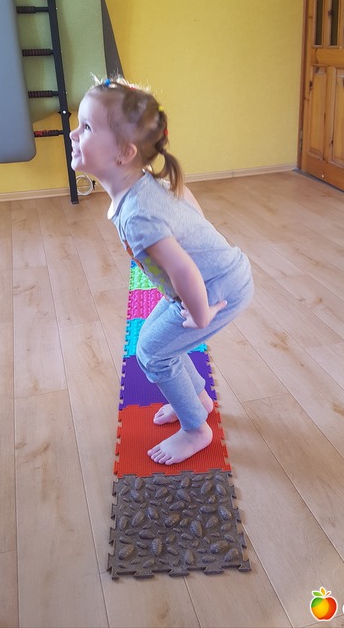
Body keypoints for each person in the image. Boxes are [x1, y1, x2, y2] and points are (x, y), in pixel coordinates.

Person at [70, 76, 254, 465]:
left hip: (215, 288)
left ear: (124, 153)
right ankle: (198, 399)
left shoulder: (139, 214)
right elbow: (187, 200)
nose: (74, 133)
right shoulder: (144, 185)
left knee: (153, 353)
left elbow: (184, 269)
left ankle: (196, 429)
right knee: (158, 343)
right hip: (206, 282)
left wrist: (200, 313)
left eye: (86, 127)